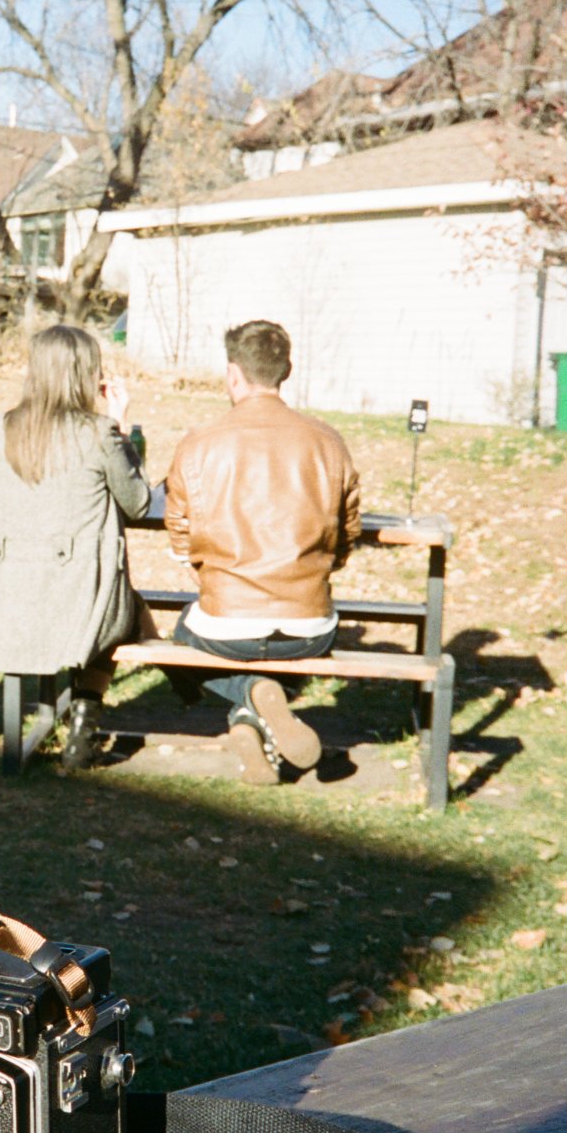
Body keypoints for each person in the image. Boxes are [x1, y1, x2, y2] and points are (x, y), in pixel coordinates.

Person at [164, 319, 361, 784]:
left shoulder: (199, 443)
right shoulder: (328, 442)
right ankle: (257, 711)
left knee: (179, 644)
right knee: (278, 653)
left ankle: (251, 701)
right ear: (286, 371)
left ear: (233, 374)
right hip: (309, 625)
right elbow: (345, 539)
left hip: (226, 622)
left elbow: (180, 541)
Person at [0, 324, 151, 769]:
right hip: (79, 598)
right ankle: (89, 719)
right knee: (129, 613)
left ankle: (188, 686)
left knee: (132, 610)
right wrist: (123, 426)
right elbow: (139, 503)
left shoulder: (2, 428)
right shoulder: (99, 433)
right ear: (86, 375)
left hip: (13, 589)